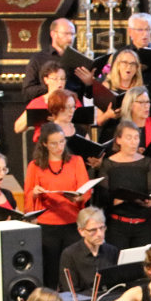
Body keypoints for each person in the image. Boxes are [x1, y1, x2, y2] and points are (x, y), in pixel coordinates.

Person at [25, 123, 92, 290]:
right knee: (51, 271)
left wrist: (78, 197)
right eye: (54, 143)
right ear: (44, 144)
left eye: (62, 142)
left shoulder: (76, 161)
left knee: (71, 269)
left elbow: (86, 190)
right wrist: (35, 193)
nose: (59, 147)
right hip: (48, 225)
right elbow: (28, 195)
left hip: (71, 222)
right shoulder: (35, 165)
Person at [100, 120, 151, 247]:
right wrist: (115, 200)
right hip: (117, 225)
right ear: (118, 140)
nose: (134, 142)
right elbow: (102, 195)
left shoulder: (146, 162)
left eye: (136, 137)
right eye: (129, 138)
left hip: (142, 225)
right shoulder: (108, 164)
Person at [22, 18, 93, 102]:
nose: (70, 38)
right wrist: (51, 87)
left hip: (74, 109)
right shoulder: (38, 59)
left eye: (73, 34)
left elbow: (89, 95)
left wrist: (89, 83)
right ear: (53, 34)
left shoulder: (79, 59)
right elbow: (27, 92)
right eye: (66, 34)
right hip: (47, 109)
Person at [57, 207, 120, 293]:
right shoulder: (70, 254)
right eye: (93, 230)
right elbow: (70, 291)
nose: (100, 234)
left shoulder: (112, 251)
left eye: (102, 228)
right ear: (81, 231)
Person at [96, 50, 145, 129]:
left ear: (137, 68)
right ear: (118, 65)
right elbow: (98, 121)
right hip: (112, 131)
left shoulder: (140, 90)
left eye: (132, 63)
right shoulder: (107, 86)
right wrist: (108, 115)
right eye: (125, 63)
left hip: (133, 132)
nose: (128, 67)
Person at [124, 13, 151, 83]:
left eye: (148, 29)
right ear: (130, 31)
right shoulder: (122, 54)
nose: (145, 34)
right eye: (140, 30)